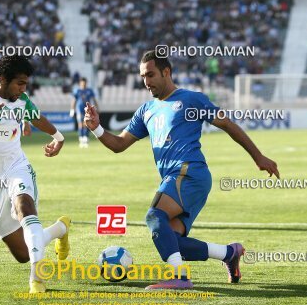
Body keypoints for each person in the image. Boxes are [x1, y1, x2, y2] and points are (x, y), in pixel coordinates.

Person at [84, 50, 279, 290]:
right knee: (173, 241)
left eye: (151, 75)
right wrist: (97, 129)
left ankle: (180, 278)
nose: (146, 82)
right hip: (178, 178)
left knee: (155, 216)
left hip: (189, 172)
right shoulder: (146, 111)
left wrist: (258, 156)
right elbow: (119, 144)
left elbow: (227, 124)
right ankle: (229, 253)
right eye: (143, 76)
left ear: (167, 72)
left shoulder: (190, 100)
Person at [0, 55, 71, 293]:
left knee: (25, 208)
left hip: (16, 167)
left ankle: (37, 278)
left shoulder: (21, 100)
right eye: (19, 83)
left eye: (26, 84)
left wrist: (59, 138)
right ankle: (60, 229)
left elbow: (37, 118)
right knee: (22, 253)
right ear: (2, 79)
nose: (23, 89)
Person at [70, 77, 98, 148]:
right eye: (82, 82)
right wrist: (72, 109)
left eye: (85, 82)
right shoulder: (77, 91)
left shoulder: (89, 90)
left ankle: (85, 138)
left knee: (86, 124)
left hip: (87, 110)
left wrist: (97, 107)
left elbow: (94, 99)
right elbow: (74, 100)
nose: (84, 84)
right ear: (80, 83)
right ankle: (81, 138)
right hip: (79, 109)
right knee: (80, 124)